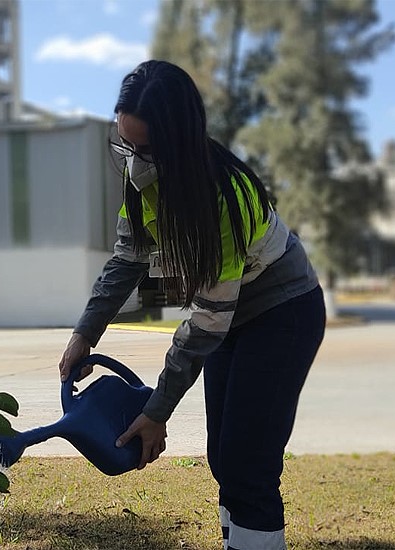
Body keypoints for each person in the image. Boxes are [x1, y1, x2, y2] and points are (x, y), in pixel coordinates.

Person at [58, 60, 326, 550]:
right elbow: (125, 262)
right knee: (224, 457)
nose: (134, 163)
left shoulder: (224, 195)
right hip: (235, 316)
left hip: (281, 312)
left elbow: (204, 325)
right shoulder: (146, 183)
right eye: (126, 146)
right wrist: (84, 334)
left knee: (249, 465)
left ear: (179, 142)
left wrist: (157, 410)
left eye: (146, 150)